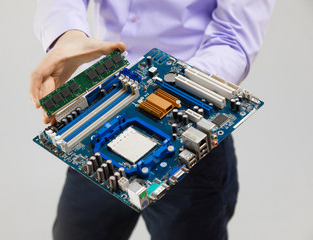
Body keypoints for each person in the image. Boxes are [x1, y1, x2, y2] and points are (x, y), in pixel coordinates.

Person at [30, 1, 274, 239]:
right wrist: (67, 36)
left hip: (187, 121)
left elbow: (232, 37)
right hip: (102, 119)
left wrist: (175, 88)